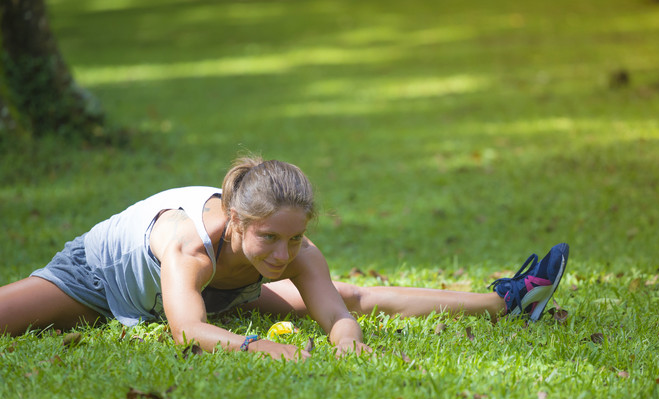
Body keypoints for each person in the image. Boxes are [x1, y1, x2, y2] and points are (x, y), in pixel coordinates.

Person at [0, 156, 569, 360]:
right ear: (238, 222)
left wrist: (346, 342)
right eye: (270, 238)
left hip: (219, 292)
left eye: (295, 239)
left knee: (350, 295)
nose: (284, 253)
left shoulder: (293, 248)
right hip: (98, 280)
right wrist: (262, 346)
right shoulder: (187, 245)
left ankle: (507, 300)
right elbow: (187, 329)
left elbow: (339, 313)